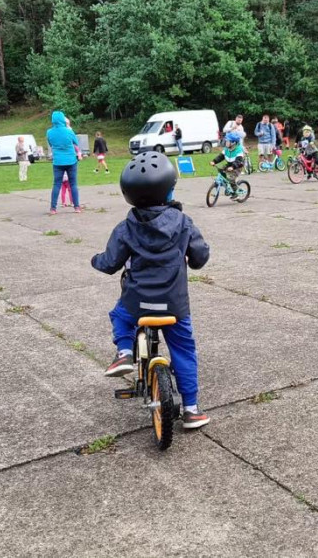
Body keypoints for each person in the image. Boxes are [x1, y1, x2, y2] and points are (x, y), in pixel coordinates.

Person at [92, 152, 211, 430]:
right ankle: (191, 409)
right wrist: (192, 259)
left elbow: (110, 263)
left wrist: (95, 259)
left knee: (120, 315)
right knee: (183, 350)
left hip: (138, 303)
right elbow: (200, 257)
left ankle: (124, 352)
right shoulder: (183, 223)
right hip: (174, 305)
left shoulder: (126, 227)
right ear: (170, 189)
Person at [47, 111, 81, 214]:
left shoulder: (49, 132)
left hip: (57, 161)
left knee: (56, 184)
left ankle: (53, 208)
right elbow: (76, 142)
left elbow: (50, 143)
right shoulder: (68, 131)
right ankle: (77, 207)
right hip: (71, 160)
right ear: (63, 119)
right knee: (73, 184)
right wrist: (69, 127)